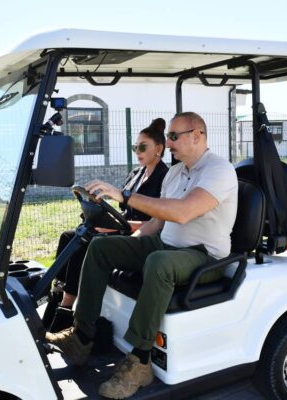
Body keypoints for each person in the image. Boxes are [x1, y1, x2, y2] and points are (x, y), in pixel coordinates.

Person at [46, 112, 238, 399]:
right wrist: (126, 245)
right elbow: (158, 222)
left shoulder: (219, 170)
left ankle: (140, 361)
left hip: (204, 257)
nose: (168, 143)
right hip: (165, 245)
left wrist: (124, 196)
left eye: (173, 137)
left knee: (158, 262)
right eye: (168, 137)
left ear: (197, 135)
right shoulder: (175, 173)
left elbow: (183, 212)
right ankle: (82, 337)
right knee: (100, 247)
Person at [44, 118, 169, 333]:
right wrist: (104, 218)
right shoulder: (136, 174)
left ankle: (66, 307)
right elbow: (124, 209)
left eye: (142, 147)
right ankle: (57, 294)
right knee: (69, 236)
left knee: (84, 243)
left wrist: (117, 226)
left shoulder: (164, 178)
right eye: (135, 147)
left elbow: (157, 222)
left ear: (158, 149)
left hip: (142, 236)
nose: (137, 152)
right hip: (125, 227)